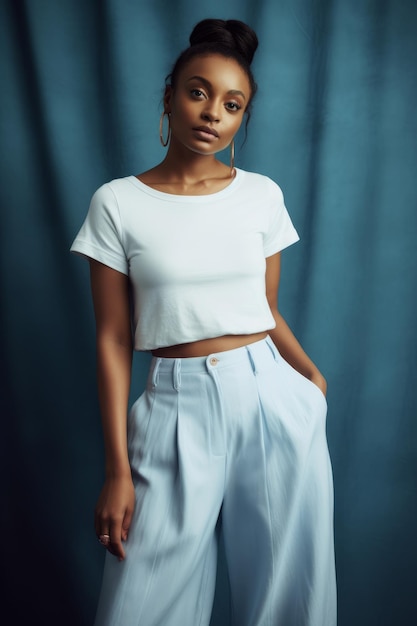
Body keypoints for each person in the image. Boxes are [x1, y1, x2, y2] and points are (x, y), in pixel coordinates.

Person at [70, 18, 336, 626]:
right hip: (173, 406)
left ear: (242, 118)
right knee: (139, 606)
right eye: (198, 92)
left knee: (292, 600)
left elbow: (265, 310)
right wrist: (117, 471)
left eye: (232, 103)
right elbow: (112, 338)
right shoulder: (117, 203)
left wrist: (312, 385)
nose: (213, 112)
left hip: (271, 397)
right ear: (169, 95)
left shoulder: (261, 196)